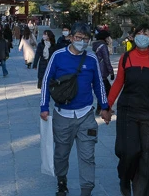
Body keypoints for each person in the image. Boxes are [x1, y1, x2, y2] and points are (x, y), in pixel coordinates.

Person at [41, 23, 109, 196]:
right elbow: (46, 81)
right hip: (62, 115)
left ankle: (86, 190)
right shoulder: (58, 56)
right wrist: (44, 106)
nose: (82, 41)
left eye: (85, 38)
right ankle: (61, 181)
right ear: (70, 37)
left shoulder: (91, 58)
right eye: (78, 37)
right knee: (61, 153)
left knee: (88, 155)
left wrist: (105, 106)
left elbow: (99, 85)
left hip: (85, 114)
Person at [105, 25, 149, 196]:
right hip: (127, 111)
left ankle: (142, 193)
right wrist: (108, 106)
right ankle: (124, 179)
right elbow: (118, 83)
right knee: (128, 151)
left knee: (147, 158)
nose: (141, 36)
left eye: (145, 33)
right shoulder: (126, 58)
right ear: (133, 37)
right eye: (138, 33)